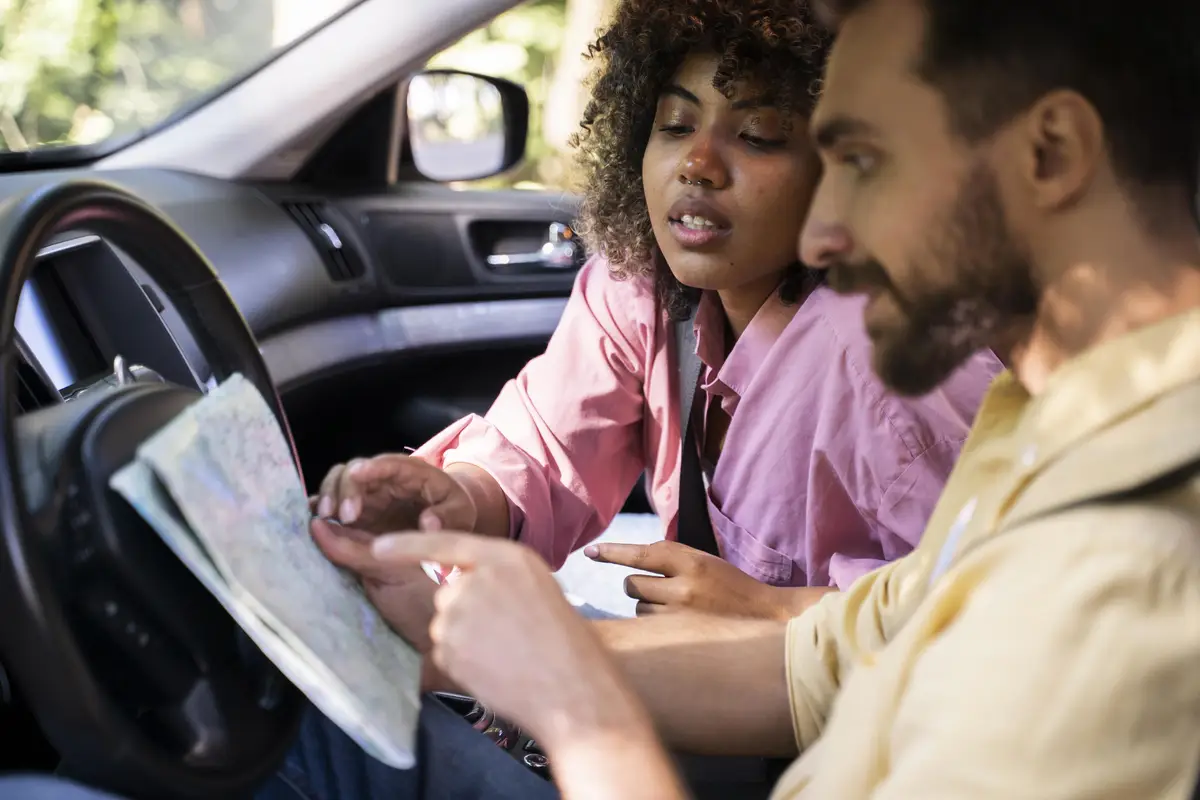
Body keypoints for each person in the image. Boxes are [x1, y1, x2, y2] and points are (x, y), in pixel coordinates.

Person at [310, 0, 1200, 797]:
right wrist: (450, 645)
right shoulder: (1034, 441)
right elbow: (815, 665)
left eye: (864, 160)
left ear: (1050, 154)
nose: (823, 230)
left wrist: (581, 713)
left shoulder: (1126, 571)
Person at [312, 0, 1000, 623]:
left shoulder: (897, 364)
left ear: (845, 171)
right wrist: (455, 497)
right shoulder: (640, 286)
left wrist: (777, 611)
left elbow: (994, 618)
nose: (697, 164)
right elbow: (546, 451)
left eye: (758, 134)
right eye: (675, 125)